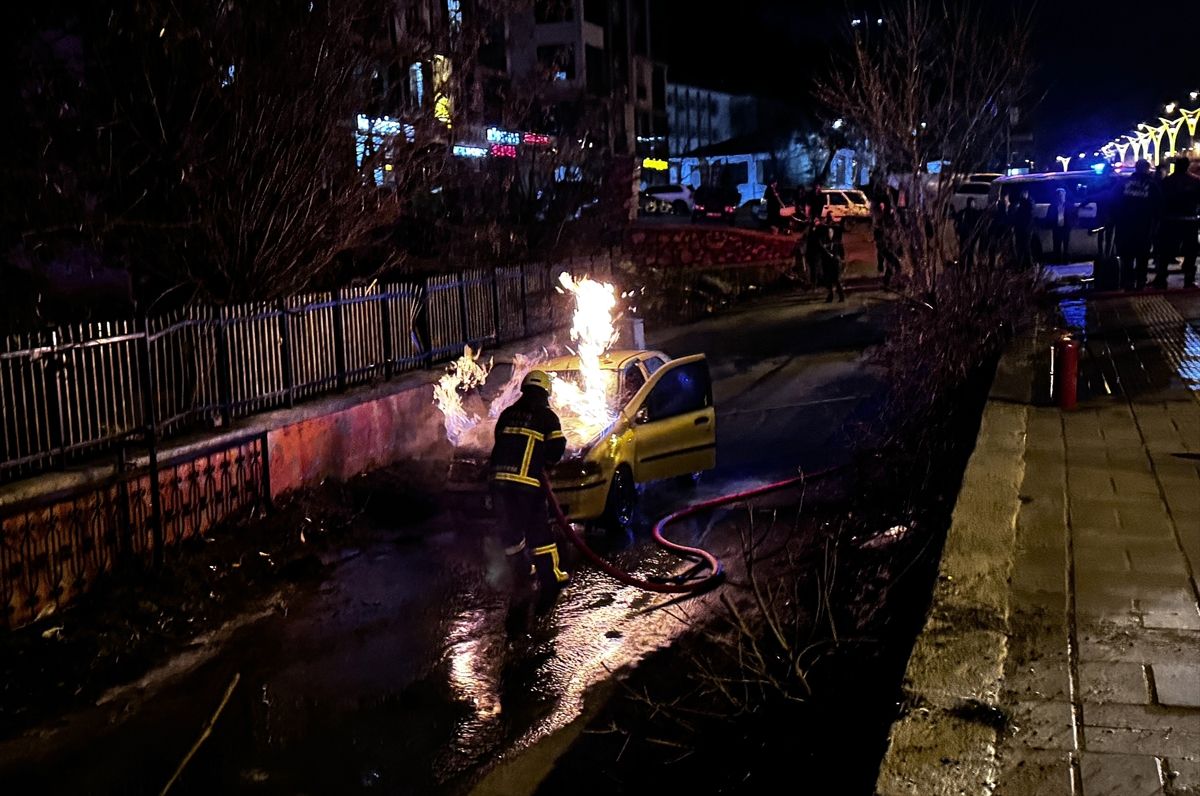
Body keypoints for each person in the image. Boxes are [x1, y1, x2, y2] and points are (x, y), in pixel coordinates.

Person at [489, 370, 568, 632]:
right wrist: (545, 458)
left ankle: (521, 575)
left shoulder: (507, 413)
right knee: (540, 534)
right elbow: (556, 451)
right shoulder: (547, 417)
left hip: (499, 484)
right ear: (546, 393)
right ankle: (552, 578)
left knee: (511, 534)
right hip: (527, 486)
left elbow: (499, 443)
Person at [1114, 159, 1163, 290]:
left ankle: (1127, 282)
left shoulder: (1123, 183)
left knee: (1127, 256)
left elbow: (1115, 202)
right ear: (1147, 169)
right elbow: (1159, 207)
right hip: (1144, 227)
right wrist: (1156, 225)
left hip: (1125, 226)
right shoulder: (1152, 185)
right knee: (1143, 256)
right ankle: (1140, 282)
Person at [1153, 156, 1200, 289]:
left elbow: (1159, 201)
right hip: (1189, 221)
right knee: (1190, 252)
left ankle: (1161, 278)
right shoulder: (1195, 181)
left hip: (1170, 220)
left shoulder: (1167, 181)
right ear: (1187, 166)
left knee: (1165, 251)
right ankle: (1189, 280)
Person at [815, 208, 846, 302]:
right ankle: (830, 295)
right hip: (826, 257)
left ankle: (841, 295)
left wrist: (841, 255)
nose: (830, 218)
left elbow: (840, 242)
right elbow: (819, 242)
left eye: (831, 217)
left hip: (834, 256)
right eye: (829, 217)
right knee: (827, 277)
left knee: (836, 277)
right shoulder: (822, 229)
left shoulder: (836, 228)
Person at [872, 198, 901, 287]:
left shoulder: (881, 228)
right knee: (896, 266)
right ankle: (894, 283)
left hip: (887, 249)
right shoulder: (879, 230)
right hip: (886, 250)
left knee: (890, 267)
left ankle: (887, 283)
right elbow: (881, 243)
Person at [1047, 187, 1076, 262]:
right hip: (1057, 228)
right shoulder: (1052, 206)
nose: (1061, 197)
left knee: (1067, 246)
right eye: (1059, 195)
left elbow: (1075, 215)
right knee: (1056, 246)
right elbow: (1048, 217)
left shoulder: (1070, 205)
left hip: (1066, 228)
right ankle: (1057, 261)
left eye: (1062, 195)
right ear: (1056, 196)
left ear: (1065, 195)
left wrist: (1072, 224)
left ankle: (1066, 261)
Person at [954, 196, 985, 268]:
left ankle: (964, 267)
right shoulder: (973, 212)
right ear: (971, 203)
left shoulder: (963, 212)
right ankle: (966, 268)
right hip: (969, 234)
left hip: (966, 234)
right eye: (973, 202)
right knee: (969, 251)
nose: (974, 204)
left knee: (965, 251)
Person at [1009, 188, 1035, 268]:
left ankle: (1029, 265)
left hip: (1026, 229)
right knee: (1020, 248)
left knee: (1026, 247)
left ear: (1026, 194)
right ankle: (1022, 265)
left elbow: (1028, 215)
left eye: (1024, 193)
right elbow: (1015, 215)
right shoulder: (1019, 203)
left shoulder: (1029, 203)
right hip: (1019, 229)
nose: (1022, 195)